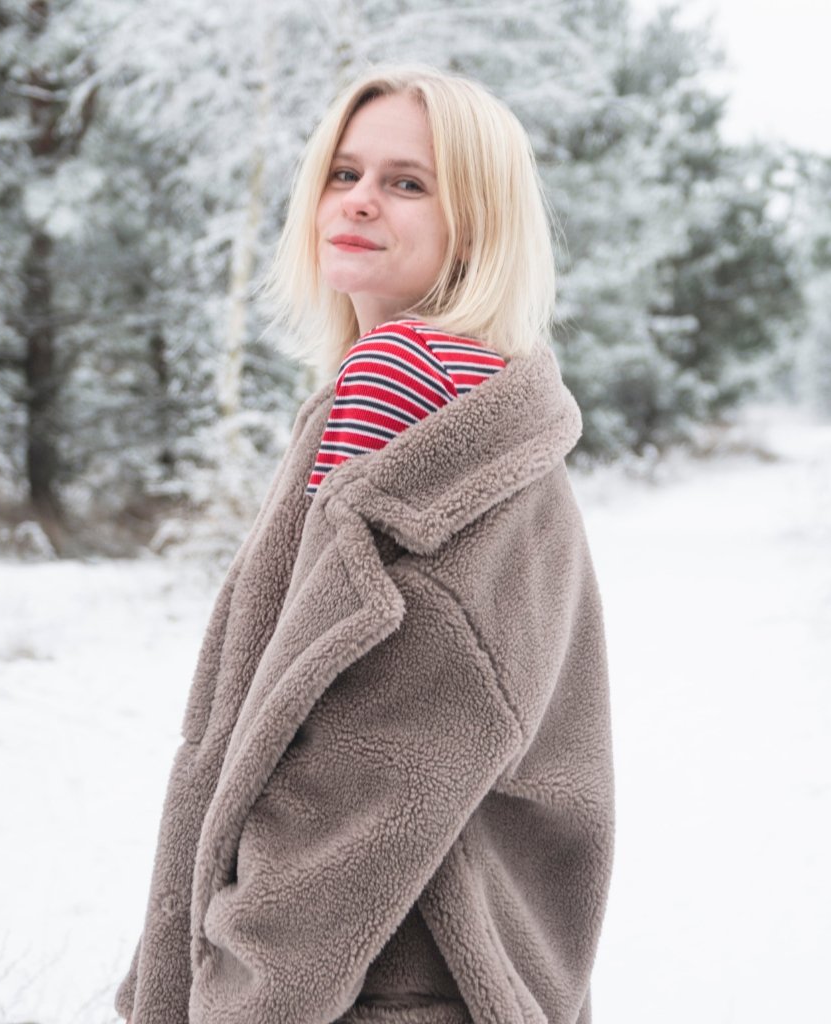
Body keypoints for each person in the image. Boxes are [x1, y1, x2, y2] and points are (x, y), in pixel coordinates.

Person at [115, 64, 613, 1024]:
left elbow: (351, 781)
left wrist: (236, 997)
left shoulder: (402, 384)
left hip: (370, 986)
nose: (359, 203)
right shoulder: (479, 411)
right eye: (343, 174)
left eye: (407, 182)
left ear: (475, 220)